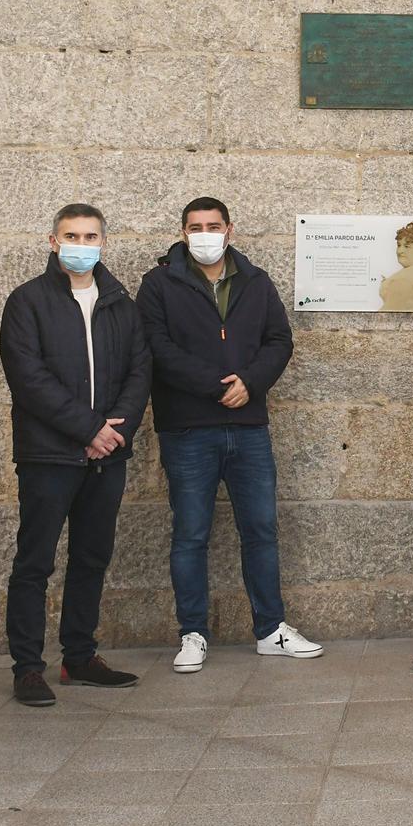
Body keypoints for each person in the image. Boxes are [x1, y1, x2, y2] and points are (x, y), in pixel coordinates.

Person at [138, 196, 321, 671]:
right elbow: (156, 346)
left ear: (230, 230)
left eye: (213, 225)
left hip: (248, 428)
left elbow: (279, 340)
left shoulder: (256, 282)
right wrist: (215, 386)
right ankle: (193, 633)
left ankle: (271, 630)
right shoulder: (158, 284)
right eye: (195, 226)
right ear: (183, 233)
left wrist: (251, 382)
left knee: (260, 530)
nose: (205, 234)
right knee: (190, 534)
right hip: (187, 430)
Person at [0, 204, 153, 706]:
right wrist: (88, 429)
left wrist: (114, 431)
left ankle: (80, 656)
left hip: (107, 456)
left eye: (89, 236)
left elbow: (138, 372)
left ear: (103, 242)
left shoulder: (120, 302)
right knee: (34, 562)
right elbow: (28, 377)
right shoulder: (27, 301)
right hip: (49, 455)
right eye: (71, 235)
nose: (80, 243)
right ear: (52, 240)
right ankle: (27, 667)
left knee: (91, 557)